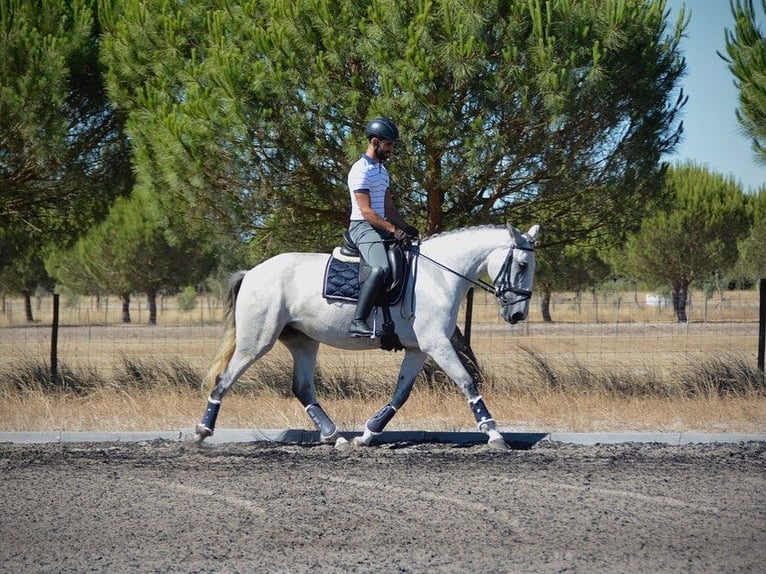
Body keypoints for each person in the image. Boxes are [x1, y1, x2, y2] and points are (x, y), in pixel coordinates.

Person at [347, 117, 418, 338]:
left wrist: (406, 227)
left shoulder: (382, 172)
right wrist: (392, 230)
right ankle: (358, 321)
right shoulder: (360, 170)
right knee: (381, 268)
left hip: (379, 227)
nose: (391, 150)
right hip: (362, 227)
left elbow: (388, 208)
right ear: (375, 142)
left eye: (393, 146)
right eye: (388, 145)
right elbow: (367, 211)